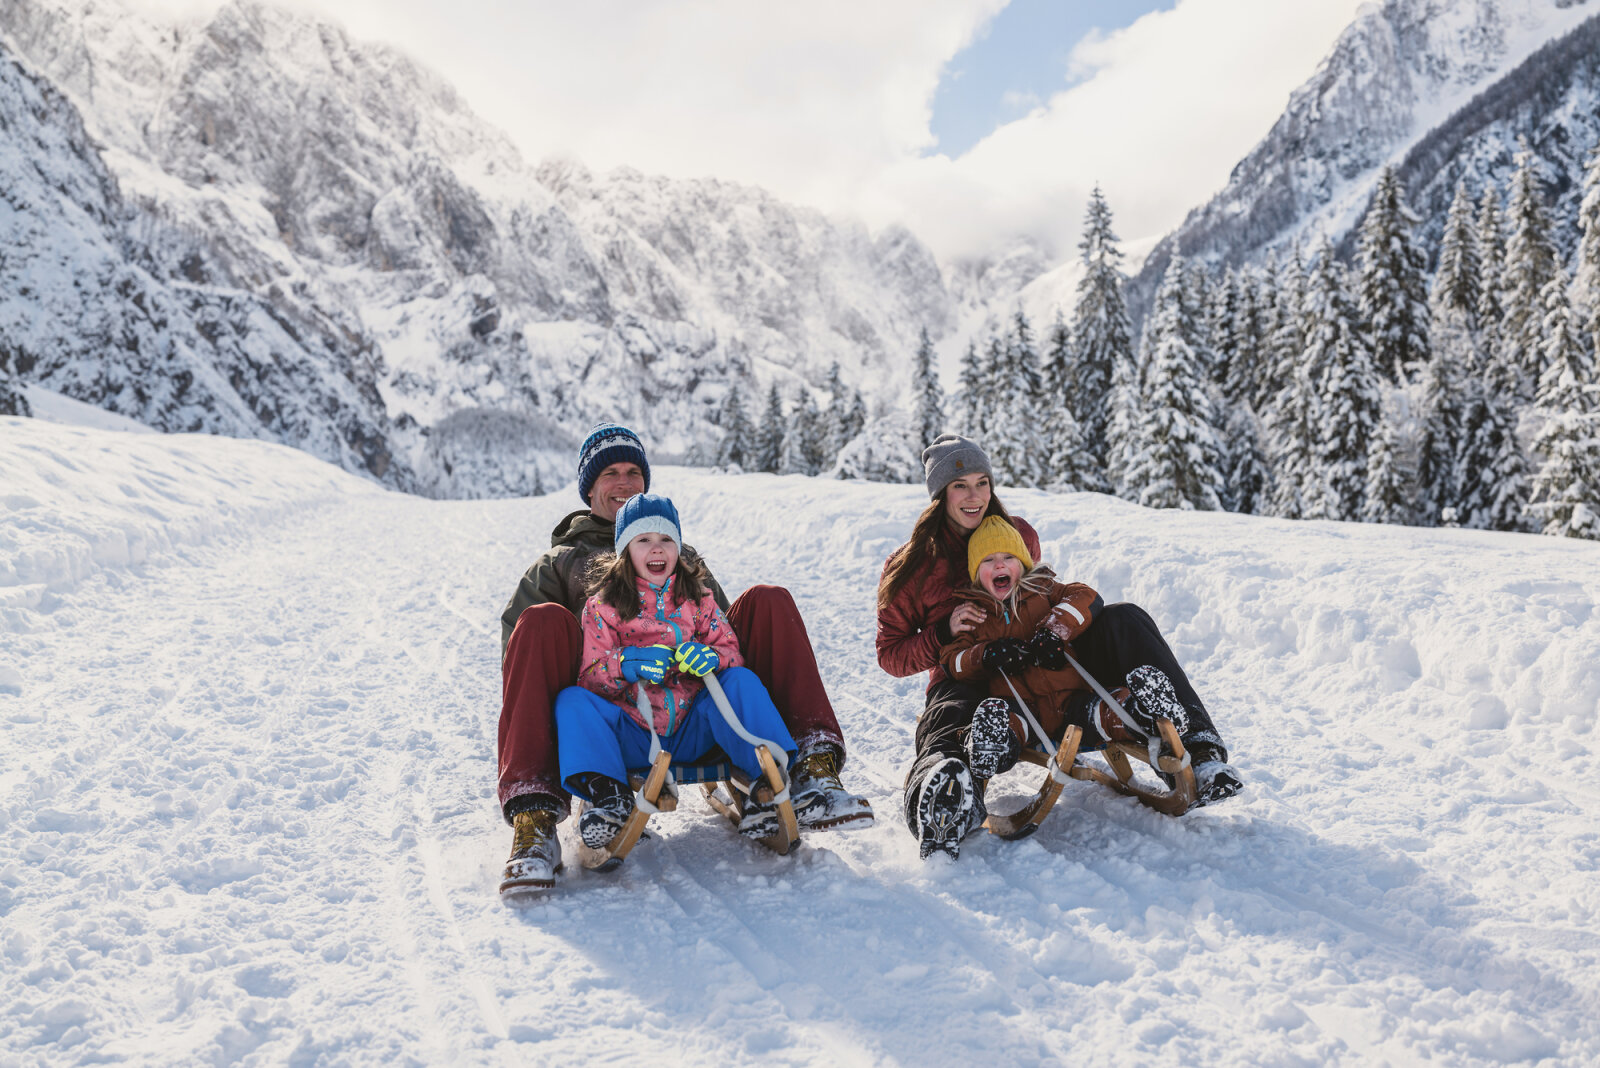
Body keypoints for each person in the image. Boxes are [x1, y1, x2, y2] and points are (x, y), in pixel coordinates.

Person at [499, 422, 871, 899]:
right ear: (589, 488)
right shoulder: (559, 563)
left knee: (768, 599)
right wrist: (615, 664)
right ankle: (534, 821)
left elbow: (723, 631)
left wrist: (712, 657)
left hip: (691, 704)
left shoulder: (681, 557)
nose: (624, 481)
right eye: (610, 472)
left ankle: (809, 771)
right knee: (540, 621)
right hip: (609, 708)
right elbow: (520, 664)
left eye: (634, 471)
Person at [876, 434, 1241, 860]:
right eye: (960, 486)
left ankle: (1199, 750)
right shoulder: (913, 564)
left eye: (982, 482)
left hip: (1040, 656)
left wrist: (1056, 630)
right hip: (971, 672)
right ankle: (945, 794)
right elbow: (890, 655)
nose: (974, 496)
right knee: (952, 714)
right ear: (940, 494)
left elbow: (1046, 595)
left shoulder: (1019, 534)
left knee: (1125, 617)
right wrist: (942, 633)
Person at [555, 493, 797, 846]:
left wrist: (712, 658)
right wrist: (624, 664)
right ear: (625, 549)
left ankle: (766, 779)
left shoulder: (699, 599)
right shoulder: (602, 606)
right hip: (634, 734)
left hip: (695, 730)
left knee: (740, 681)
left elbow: (731, 650)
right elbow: (590, 673)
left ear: (678, 547)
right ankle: (607, 793)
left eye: (666, 539)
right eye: (644, 540)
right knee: (572, 701)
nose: (657, 549)